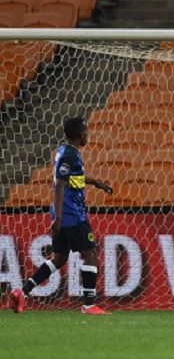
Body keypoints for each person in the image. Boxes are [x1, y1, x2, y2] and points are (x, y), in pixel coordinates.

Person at [9, 117, 113, 315]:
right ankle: (89, 305)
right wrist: (58, 218)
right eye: (85, 131)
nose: (87, 134)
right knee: (90, 253)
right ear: (79, 134)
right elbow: (59, 185)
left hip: (64, 214)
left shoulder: (65, 152)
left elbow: (72, 178)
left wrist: (95, 182)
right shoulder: (69, 156)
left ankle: (22, 293)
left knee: (59, 258)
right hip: (71, 215)